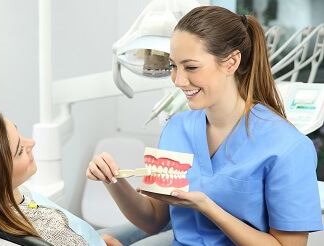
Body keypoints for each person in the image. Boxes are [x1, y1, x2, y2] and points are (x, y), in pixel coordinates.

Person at [87, 6, 323, 246]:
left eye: (191, 67)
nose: (179, 80)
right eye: (173, 66)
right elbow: (153, 220)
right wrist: (112, 181)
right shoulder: (177, 128)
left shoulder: (288, 148)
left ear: (231, 62)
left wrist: (207, 206)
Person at [0, 107, 122, 246]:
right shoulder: (49, 230)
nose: (32, 143)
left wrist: (88, 239)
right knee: (154, 230)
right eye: (19, 150)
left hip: (85, 238)